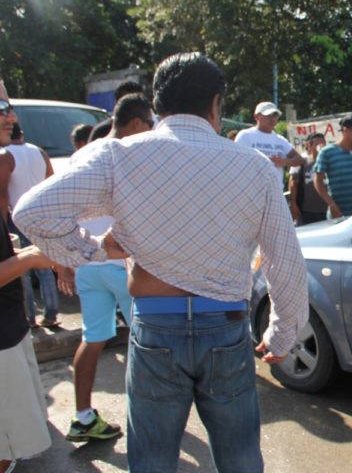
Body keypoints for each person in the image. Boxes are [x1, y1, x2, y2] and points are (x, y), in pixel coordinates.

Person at [13, 52, 308, 473]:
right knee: (240, 458)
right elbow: (285, 259)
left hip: (154, 326)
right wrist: (282, 333)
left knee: (152, 461)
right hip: (225, 327)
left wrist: (95, 250)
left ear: (156, 104)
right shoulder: (254, 167)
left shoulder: (118, 155)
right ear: (215, 104)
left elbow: (32, 213)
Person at [61, 92, 154, 444]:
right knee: (145, 343)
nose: (151, 130)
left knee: (93, 337)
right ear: (135, 123)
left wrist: (65, 262)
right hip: (122, 264)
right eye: (149, 124)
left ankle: (83, 416)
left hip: (87, 261)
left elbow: (66, 210)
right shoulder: (130, 154)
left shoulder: (81, 154)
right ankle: (147, 422)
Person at [0, 75, 52, 473]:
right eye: (1, 108)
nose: (11, 116)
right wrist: (31, 257)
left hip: (10, 328)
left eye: (9, 106)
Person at [5, 123, 59, 328]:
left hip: (16, 217)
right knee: (44, 265)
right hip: (42, 215)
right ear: (22, 133)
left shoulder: (5, 155)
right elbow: (52, 182)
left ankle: (29, 316)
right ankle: (51, 313)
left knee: (21, 269)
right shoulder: (40, 152)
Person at [234, 101, 303, 190]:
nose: (272, 119)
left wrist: (284, 162)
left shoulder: (281, 140)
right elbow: (235, 160)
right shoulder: (245, 135)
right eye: (268, 115)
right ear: (256, 117)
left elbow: (299, 159)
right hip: (251, 190)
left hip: (276, 192)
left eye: (275, 115)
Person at [314, 116, 352, 217]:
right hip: (338, 214)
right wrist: (331, 204)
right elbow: (318, 181)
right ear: (346, 130)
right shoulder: (326, 152)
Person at [288, 132, 328, 225]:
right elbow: (293, 184)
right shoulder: (301, 161)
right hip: (307, 210)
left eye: (323, 144)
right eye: (318, 144)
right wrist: (293, 204)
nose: (321, 147)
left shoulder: (328, 161)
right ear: (309, 145)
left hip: (326, 208)